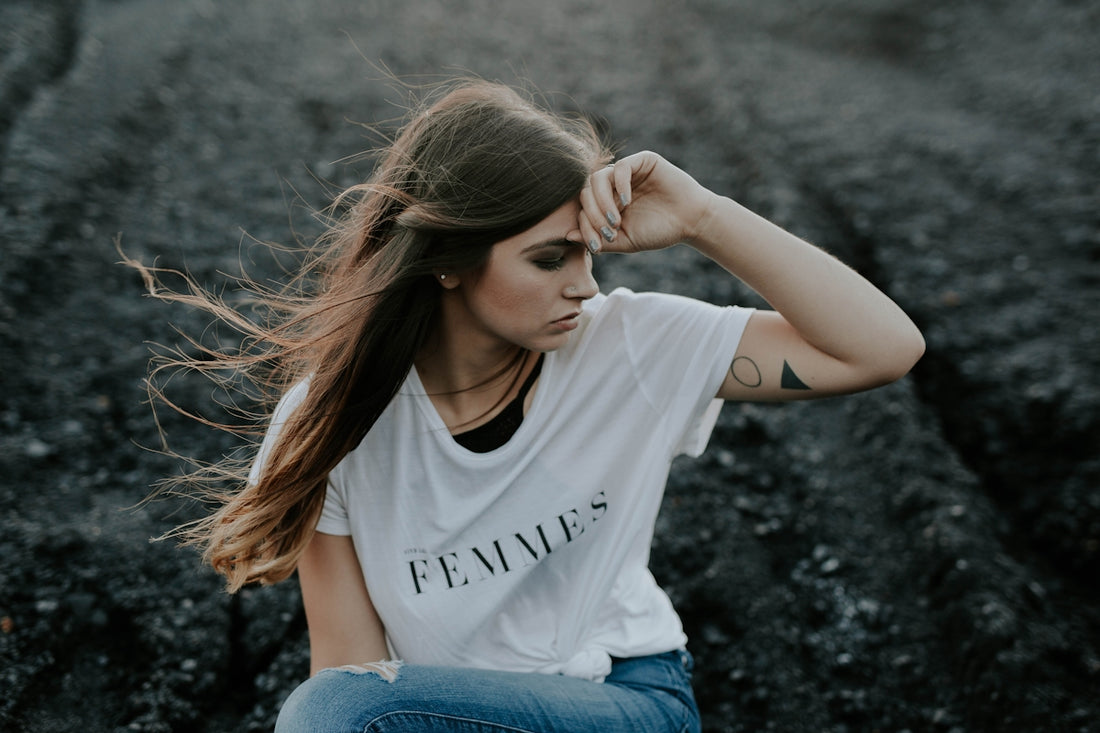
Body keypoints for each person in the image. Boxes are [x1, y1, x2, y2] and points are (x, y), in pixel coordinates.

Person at [131, 79, 924, 732]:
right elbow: (351, 664)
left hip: (626, 698)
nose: (585, 284)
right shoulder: (331, 421)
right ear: (449, 259)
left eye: (588, 252)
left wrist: (703, 217)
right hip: (453, 717)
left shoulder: (630, 347)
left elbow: (881, 348)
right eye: (550, 259)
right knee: (338, 704)